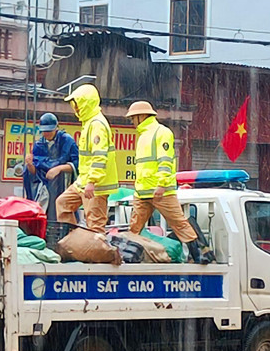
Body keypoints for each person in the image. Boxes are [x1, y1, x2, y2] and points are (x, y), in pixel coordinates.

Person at [125, 101, 214, 265]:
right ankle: (129, 256)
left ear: (141, 116)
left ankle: (199, 254)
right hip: (143, 191)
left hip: (161, 191)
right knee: (134, 228)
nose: (131, 121)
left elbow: (165, 162)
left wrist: (162, 184)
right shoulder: (143, 136)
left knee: (178, 223)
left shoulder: (162, 133)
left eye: (133, 118)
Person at [55, 84, 119, 233]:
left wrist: (92, 181)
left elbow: (99, 156)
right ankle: (75, 240)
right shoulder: (89, 123)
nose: (75, 108)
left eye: (77, 104)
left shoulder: (97, 125)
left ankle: (95, 252)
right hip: (84, 182)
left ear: (85, 103)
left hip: (95, 185)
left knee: (95, 225)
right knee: (63, 203)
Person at [23, 112, 79, 221]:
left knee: (62, 211)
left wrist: (59, 169)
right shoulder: (39, 145)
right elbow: (35, 174)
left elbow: (78, 164)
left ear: (56, 128)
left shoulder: (67, 141)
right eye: (44, 131)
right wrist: (30, 164)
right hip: (45, 190)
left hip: (63, 186)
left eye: (49, 130)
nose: (47, 133)